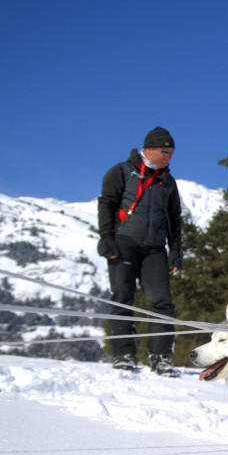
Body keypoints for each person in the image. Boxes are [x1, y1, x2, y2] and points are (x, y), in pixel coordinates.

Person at [97, 126, 183, 376]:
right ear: (149, 149)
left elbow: (174, 220)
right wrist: (106, 237)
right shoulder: (122, 171)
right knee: (122, 297)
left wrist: (176, 250)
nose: (169, 156)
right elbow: (107, 204)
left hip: (154, 249)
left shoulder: (168, 182)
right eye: (165, 151)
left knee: (161, 301)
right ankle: (124, 354)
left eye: (172, 152)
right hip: (124, 242)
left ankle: (160, 357)